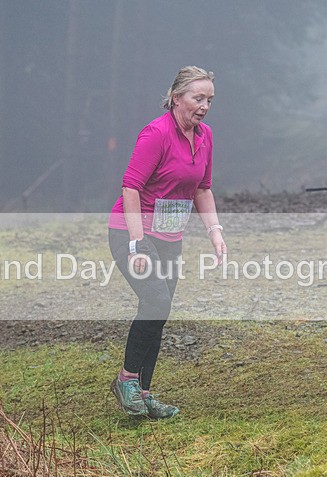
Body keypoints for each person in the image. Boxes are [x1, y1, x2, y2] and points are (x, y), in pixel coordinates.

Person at [107, 66, 226, 419]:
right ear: (177, 98)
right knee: (155, 299)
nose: (204, 106)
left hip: (170, 236)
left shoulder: (205, 136)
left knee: (160, 310)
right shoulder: (156, 134)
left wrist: (215, 231)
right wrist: (137, 243)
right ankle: (126, 380)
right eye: (198, 98)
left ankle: (143, 394)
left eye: (209, 100)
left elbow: (203, 188)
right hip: (131, 231)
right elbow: (130, 188)